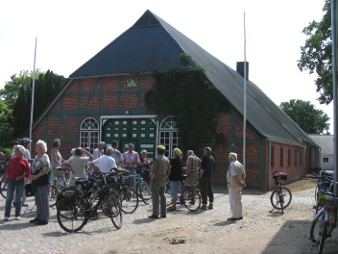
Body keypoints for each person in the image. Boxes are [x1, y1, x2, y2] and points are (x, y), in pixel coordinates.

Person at [4, 145, 30, 221]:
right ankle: (7, 215)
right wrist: (7, 176)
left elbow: (28, 172)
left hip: (20, 181)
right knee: (9, 198)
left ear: (21, 152)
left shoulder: (24, 160)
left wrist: (21, 177)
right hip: (11, 180)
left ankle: (17, 214)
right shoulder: (12, 159)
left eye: (17, 149)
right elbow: (8, 169)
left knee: (19, 199)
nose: (15, 150)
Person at [30, 139, 51, 225]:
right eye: (36, 146)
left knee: (44, 199)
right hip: (36, 180)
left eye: (38, 146)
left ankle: (44, 218)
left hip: (43, 180)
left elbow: (45, 169)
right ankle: (38, 216)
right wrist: (32, 175)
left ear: (42, 148)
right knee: (38, 199)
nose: (36, 147)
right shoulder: (36, 157)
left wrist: (36, 176)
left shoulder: (45, 157)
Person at [148, 145, 170, 219]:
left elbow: (154, 171)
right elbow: (168, 172)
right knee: (163, 196)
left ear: (157, 151)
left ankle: (155, 213)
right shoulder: (167, 159)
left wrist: (151, 179)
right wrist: (165, 178)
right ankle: (164, 213)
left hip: (156, 179)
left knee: (155, 196)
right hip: (163, 179)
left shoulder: (157, 159)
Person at [227, 152, 246, 221]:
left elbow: (235, 175)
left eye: (228, 157)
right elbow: (244, 174)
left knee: (233, 200)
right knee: (238, 200)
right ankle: (240, 215)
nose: (228, 158)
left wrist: (240, 182)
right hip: (239, 185)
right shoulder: (239, 164)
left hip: (233, 185)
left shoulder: (232, 165)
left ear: (230, 158)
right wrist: (243, 182)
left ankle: (235, 215)